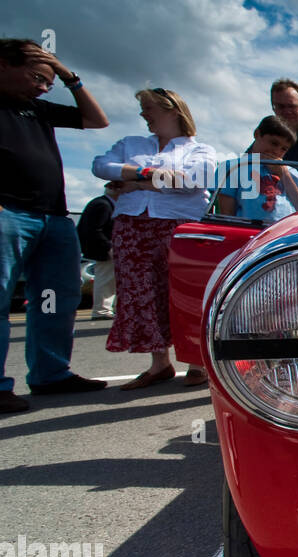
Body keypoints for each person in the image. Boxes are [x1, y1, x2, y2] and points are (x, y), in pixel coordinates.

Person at [0, 38, 110, 414]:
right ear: (4, 65)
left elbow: (97, 119)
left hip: (53, 217)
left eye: (49, 81)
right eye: (37, 77)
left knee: (53, 300)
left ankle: (50, 373)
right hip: (8, 214)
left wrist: (68, 77)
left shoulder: (37, 109)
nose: (44, 86)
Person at [91, 88, 217, 388]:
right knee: (140, 292)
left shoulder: (200, 150)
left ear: (172, 109)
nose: (143, 115)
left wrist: (135, 180)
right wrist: (152, 176)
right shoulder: (131, 144)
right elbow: (101, 166)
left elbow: (192, 181)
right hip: (133, 226)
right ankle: (159, 363)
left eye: (149, 108)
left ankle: (196, 362)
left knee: (185, 292)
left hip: (179, 226)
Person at [216, 116, 298, 221]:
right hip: (248, 230)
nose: (276, 151)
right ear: (257, 134)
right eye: (274, 143)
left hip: (283, 233)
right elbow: (227, 214)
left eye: (284, 149)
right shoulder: (232, 167)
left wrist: (284, 175)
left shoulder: (291, 172)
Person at [77, 188, 117, 318]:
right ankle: (102, 310)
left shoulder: (101, 203)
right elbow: (95, 229)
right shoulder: (103, 205)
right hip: (103, 249)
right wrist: (108, 247)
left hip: (102, 247)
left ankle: (105, 308)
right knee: (106, 279)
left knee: (108, 279)